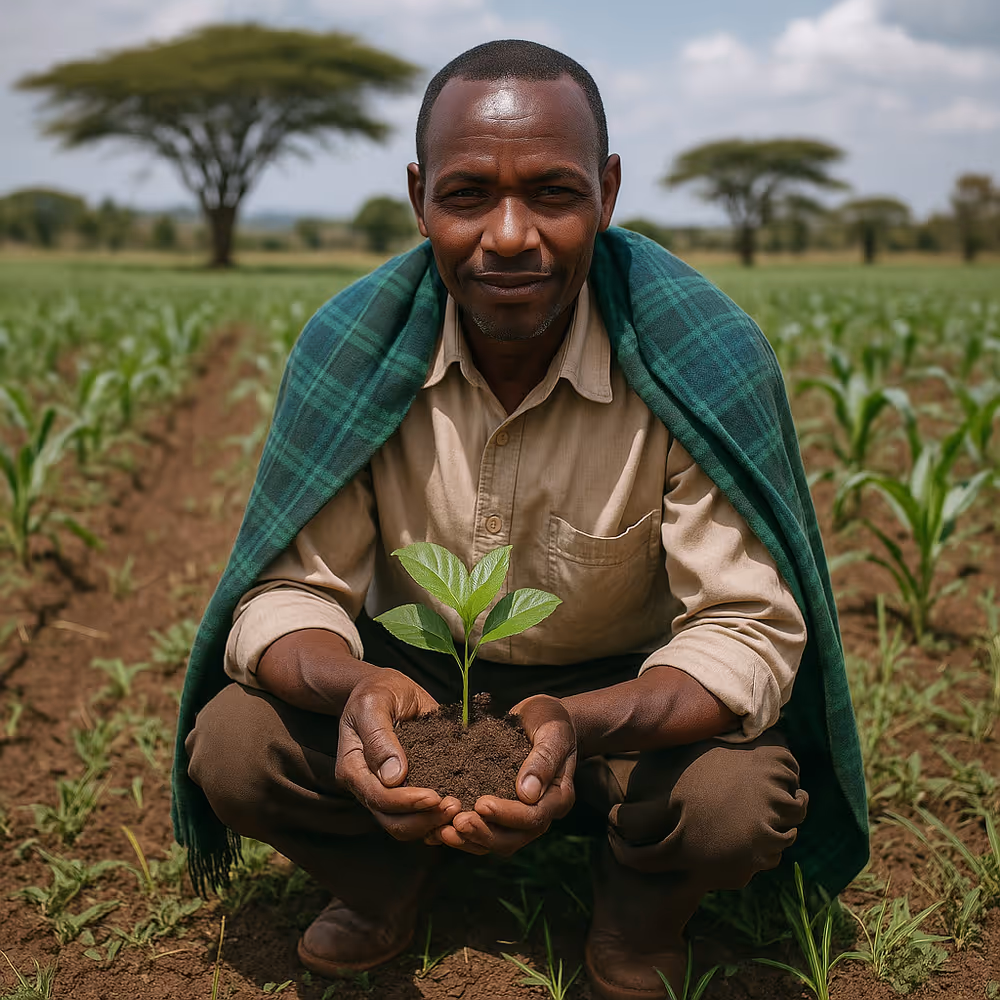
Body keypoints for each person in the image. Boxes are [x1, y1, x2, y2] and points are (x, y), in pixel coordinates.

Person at [172, 40, 868, 1000]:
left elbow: (746, 630)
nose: (508, 235)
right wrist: (359, 690)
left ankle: (637, 903)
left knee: (729, 804)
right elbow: (291, 593)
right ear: (419, 197)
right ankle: (385, 877)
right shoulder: (353, 349)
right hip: (414, 680)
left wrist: (572, 723)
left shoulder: (696, 356)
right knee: (237, 746)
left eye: (552, 192)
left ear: (608, 191)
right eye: (466, 196)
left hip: (624, 694)